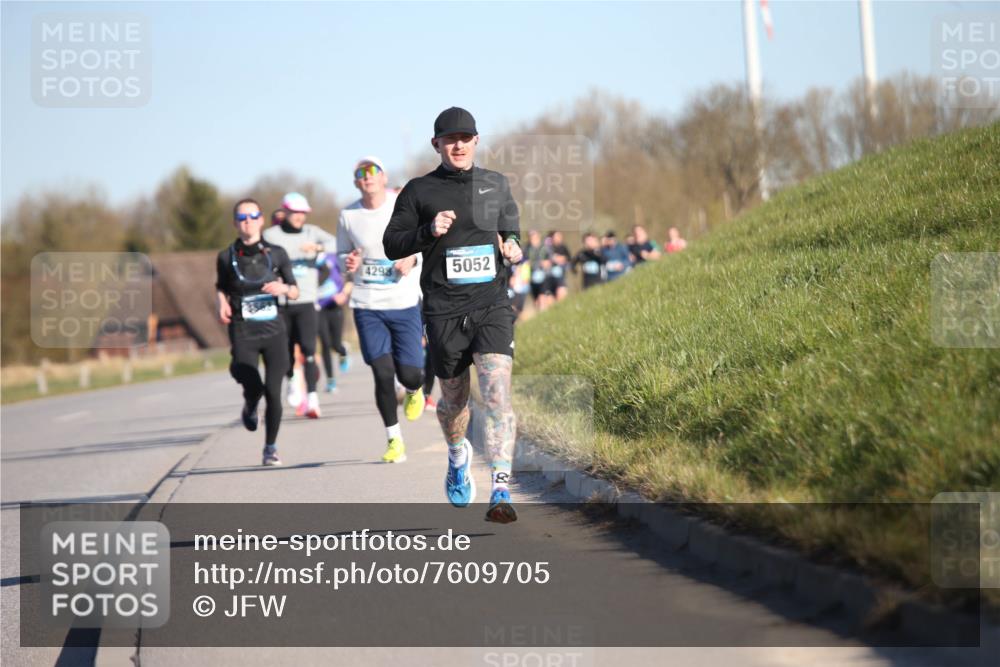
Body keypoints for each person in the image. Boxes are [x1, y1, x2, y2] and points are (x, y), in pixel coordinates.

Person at [383, 106, 522, 523]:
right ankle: (458, 454)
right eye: (450, 138)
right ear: (437, 144)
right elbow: (392, 243)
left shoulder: (496, 184)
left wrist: (512, 244)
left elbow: (511, 227)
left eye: (466, 137)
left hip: (491, 303)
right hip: (444, 310)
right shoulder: (418, 191)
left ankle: (500, 487)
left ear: (476, 141)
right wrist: (428, 232)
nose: (458, 144)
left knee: (497, 392)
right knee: (454, 401)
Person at [338, 157, 426, 463]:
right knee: (382, 372)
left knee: (411, 373)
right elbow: (340, 256)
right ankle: (394, 440)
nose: (367, 177)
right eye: (360, 173)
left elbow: (422, 244)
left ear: (383, 177)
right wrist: (347, 263)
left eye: (372, 171)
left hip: (402, 301)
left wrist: (412, 260)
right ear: (356, 182)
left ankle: (415, 390)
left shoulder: (402, 204)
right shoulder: (348, 215)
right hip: (367, 303)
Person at [216, 198, 299, 466]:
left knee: (274, 391)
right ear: (235, 223)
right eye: (242, 218)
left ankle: (270, 448)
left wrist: (283, 289)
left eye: (253, 216)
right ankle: (251, 404)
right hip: (243, 331)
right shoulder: (226, 256)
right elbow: (220, 286)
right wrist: (221, 302)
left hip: (274, 332)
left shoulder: (277, 253)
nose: (248, 221)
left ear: (262, 220)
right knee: (248, 378)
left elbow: (295, 290)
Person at [263, 192, 336, 419]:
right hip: (282, 301)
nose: (299, 217)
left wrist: (317, 249)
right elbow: (260, 255)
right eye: (295, 212)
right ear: (284, 212)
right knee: (285, 350)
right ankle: (292, 380)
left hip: (306, 299)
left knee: (308, 348)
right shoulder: (271, 235)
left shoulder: (312, 232)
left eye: (303, 213)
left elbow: (335, 243)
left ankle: (312, 398)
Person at [316, 252, 351, 392]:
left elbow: (350, 278)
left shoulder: (332, 257)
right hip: (318, 307)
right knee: (325, 343)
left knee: (335, 344)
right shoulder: (306, 261)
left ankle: (343, 351)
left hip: (335, 306)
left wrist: (344, 294)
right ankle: (331, 381)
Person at [525, 229, 553, 312]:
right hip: (532, 278)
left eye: (535, 237)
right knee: (536, 301)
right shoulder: (526, 248)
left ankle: (546, 316)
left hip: (544, 277)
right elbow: (523, 262)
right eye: (531, 238)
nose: (533, 240)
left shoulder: (545, 247)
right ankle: (541, 317)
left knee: (542, 298)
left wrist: (546, 263)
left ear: (538, 237)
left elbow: (550, 260)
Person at [547, 230, 571, 302]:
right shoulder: (547, 248)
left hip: (561, 277)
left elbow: (568, 259)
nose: (559, 238)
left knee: (561, 293)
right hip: (549, 278)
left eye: (560, 236)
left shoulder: (563, 247)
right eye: (556, 236)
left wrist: (561, 259)